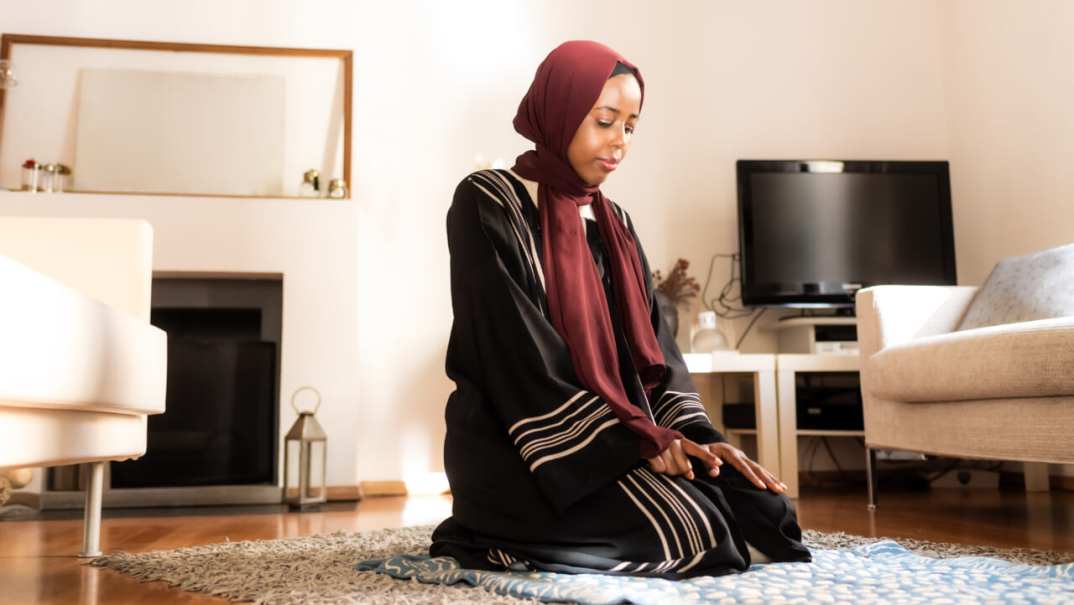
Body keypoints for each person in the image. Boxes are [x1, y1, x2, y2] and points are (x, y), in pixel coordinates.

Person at [430, 40, 810, 578]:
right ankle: (487, 529)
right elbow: (514, 352)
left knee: (768, 510)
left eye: (630, 127)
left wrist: (700, 440)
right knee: (688, 526)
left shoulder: (616, 224)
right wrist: (632, 444)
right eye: (605, 121)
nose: (619, 142)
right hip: (528, 449)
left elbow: (657, 352)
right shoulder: (489, 201)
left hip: (627, 439)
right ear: (559, 111)